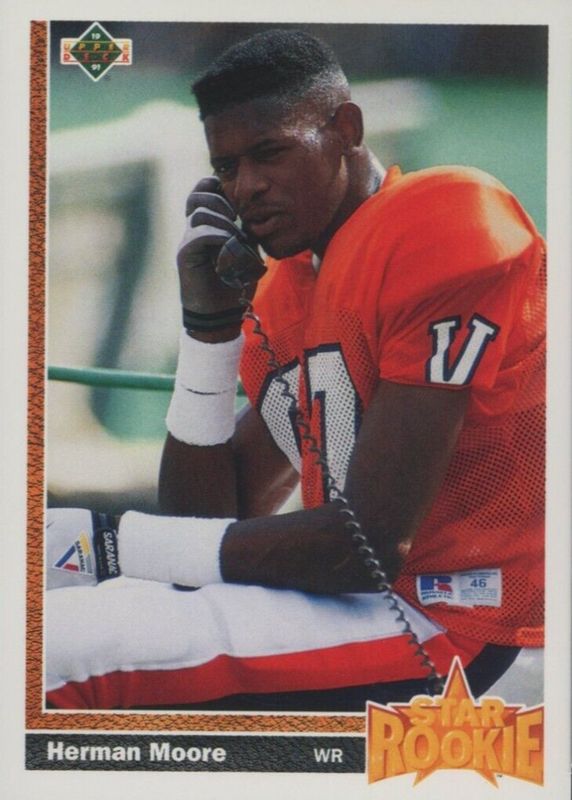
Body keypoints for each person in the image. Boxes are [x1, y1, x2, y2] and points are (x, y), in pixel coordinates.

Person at [45, 29, 545, 711]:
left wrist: (111, 544)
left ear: (346, 130)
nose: (247, 187)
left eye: (270, 153)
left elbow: (368, 546)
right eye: (226, 167)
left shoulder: (444, 216)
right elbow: (202, 530)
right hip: (361, 603)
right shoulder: (288, 287)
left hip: (454, 620)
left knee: (52, 648)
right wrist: (209, 330)